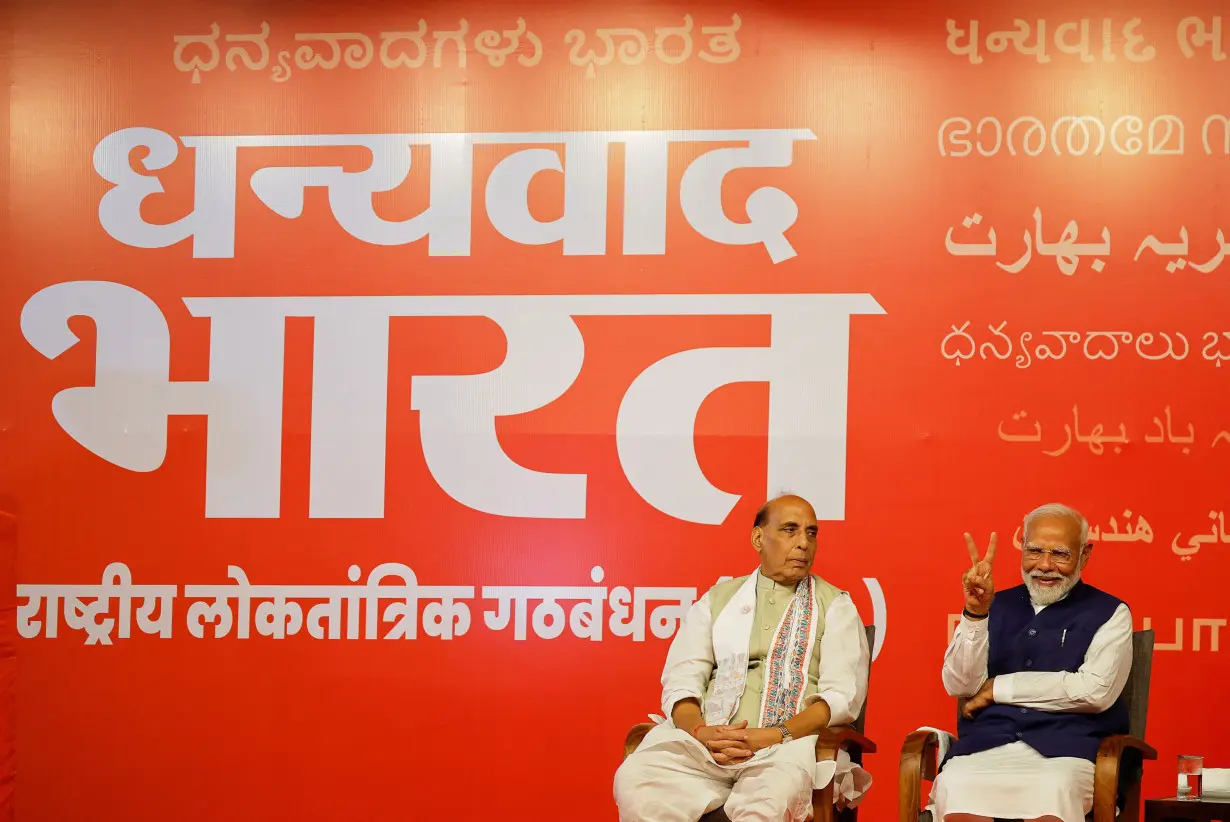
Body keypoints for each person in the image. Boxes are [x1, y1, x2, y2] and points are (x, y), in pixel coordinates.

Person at [614, 494, 872, 822]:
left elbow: (841, 697)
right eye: (790, 530)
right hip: (707, 745)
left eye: (811, 533)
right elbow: (682, 680)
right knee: (637, 779)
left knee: (770, 800)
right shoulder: (716, 601)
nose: (803, 543)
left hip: (785, 748)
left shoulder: (836, 606)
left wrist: (771, 735)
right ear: (758, 538)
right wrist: (701, 732)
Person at [931, 502, 1134, 822]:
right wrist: (975, 614)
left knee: (1053, 788)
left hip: (1067, 751)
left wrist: (998, 688)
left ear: (1084, 554)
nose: (1045, 565)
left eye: (1060, 554)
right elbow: (959, 684)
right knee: (956, 784)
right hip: (986, 745)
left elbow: (1094, 691)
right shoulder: (994, 602)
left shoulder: (1111, 613)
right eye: (1035, 551)